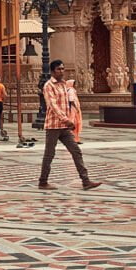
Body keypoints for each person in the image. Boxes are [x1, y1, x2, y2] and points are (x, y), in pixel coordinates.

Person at [38, 60, 101, 190]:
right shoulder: (49, 85)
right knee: (49, 154)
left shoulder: (63, 85)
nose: (61, 71)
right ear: (52, 71)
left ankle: (85, 180)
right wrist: (65, 119)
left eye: (62, 69)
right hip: (53, 125)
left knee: (76, 151)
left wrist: (69, 120)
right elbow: (52, 105)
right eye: (58, 69)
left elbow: (67, 104)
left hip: (65, 127)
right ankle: (43, 181)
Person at [65, 78, 84, 144]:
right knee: (75, 123)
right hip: (73, 109)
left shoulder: (69, 90)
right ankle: (72, 139)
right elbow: (71, 100)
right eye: (74, 84)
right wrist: (76, 108)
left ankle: (75, 139)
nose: (75, 85)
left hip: (73, 109)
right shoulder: (71, 90)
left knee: (75, 123)